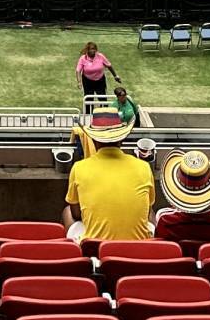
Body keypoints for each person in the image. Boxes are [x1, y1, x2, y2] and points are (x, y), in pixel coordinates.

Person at [63, 100, 153, 242]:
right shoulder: (143, 167)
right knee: (150, 209)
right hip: (138, 247)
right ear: (122, 139)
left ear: (92, 139)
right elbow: (147, 212)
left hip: (96, 248)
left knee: (67, 212)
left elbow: (75, 213)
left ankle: (76, 253)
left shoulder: (79, 168)